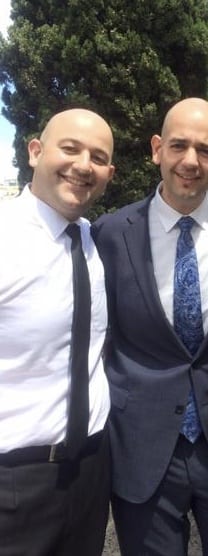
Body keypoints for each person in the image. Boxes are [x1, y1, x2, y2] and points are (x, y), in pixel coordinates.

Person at [92, 97, 208, 555]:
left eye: (205, 150)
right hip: (143, 449)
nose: (190, 161)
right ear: (157, 149)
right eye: (178, 146)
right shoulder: (111, 234)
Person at [0, 108, 115, 556]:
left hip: (90, 473)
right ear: (35, 151)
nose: (83, 165)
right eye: (70, 148)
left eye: (98, 157)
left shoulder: (93, 239)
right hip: (14, 482)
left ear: (108, 174)